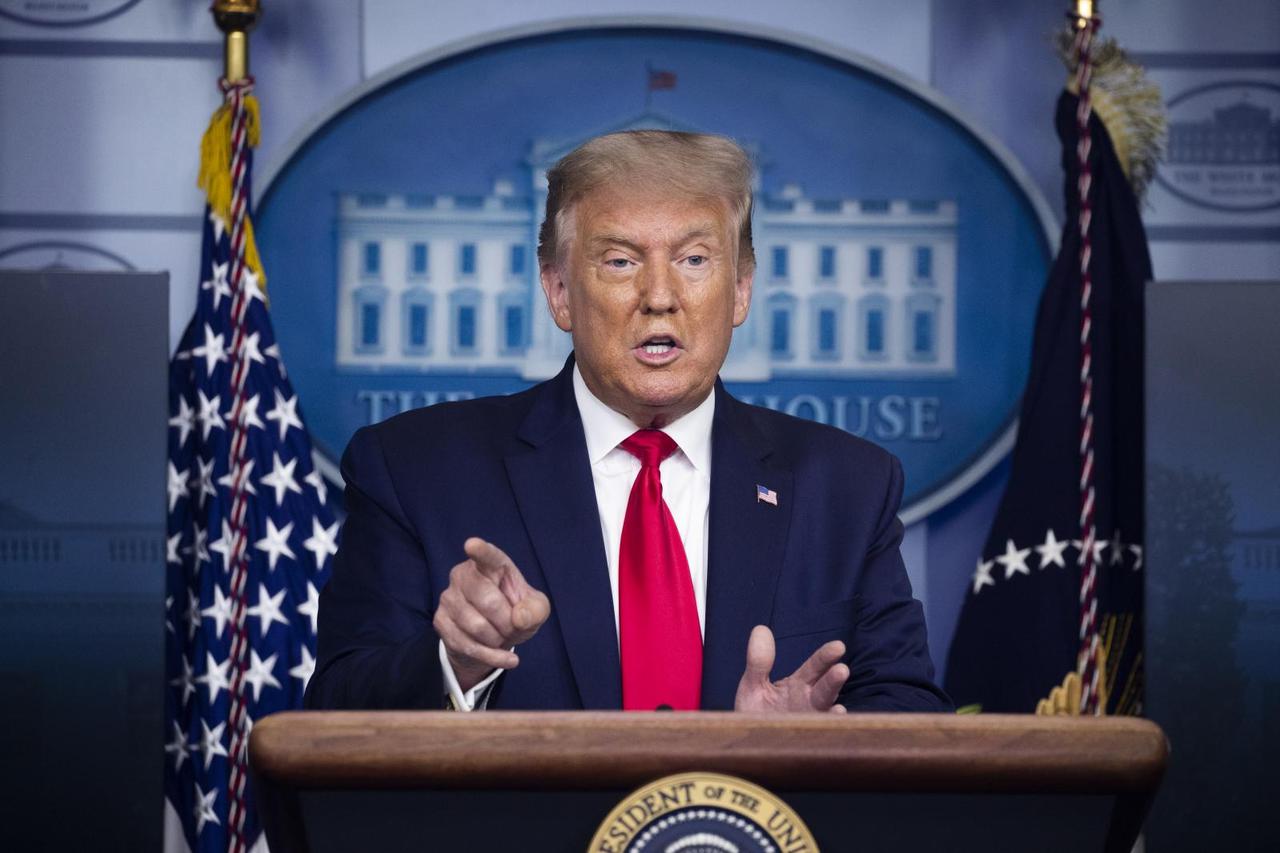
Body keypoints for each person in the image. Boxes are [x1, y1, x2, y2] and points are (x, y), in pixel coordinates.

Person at [305, 130, 951, 713]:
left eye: (695, 259)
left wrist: (800, 752)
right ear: (559, 290)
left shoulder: (848, 487)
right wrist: (459, 661)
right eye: (620, 260)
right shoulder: (416, 470)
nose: (660, 296)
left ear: (743, 289)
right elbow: (334, 714)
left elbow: (913, 719)